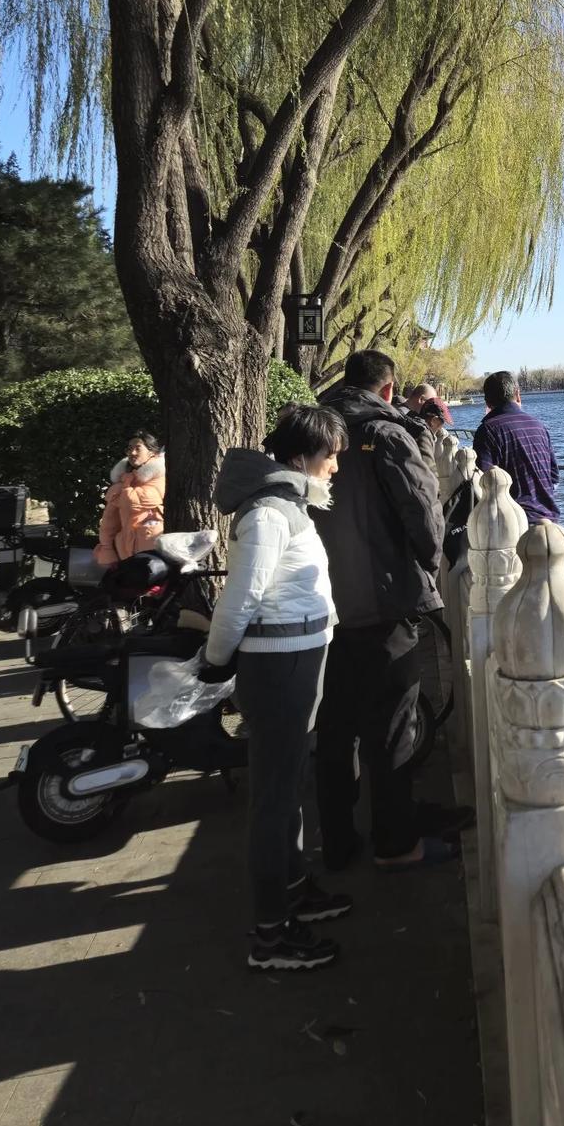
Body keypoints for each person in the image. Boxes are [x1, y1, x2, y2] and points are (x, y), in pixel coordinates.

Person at [201, 405, 350, 973]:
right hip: (278, 666)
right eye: (330, 454)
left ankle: (293, 891)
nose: (335, 466)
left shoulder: (290, 505)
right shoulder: (269, 512)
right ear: (300, 456)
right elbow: (240, 599)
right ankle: (271, 934)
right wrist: (216, 661)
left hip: (298, 661)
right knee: (273, 797)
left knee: (289, 786)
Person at [313, 349, 472, 872]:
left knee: (336, 726)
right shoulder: (386, 434)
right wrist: (428, 571)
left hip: (322, 602)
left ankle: (340, 841)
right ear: (389, 389)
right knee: (392, 723)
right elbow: (424, 520)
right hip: (383, 601)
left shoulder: (310, 428)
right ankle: (395, 841)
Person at [472, 371, 560, 523]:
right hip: (550, 523)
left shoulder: (487, 431)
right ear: (518, 394)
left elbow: (484, 484)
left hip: (514, 526)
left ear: (487, 402)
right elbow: (554, 477)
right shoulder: (539, 426)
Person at [94, 432, 166, 565]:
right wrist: (107, 547)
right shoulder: (125, 477)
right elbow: (110, 519)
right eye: (129, 448)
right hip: (126, 545)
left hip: (151, 541)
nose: (132, 453)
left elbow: (135, 502)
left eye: (138, 448)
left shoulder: (159, 473)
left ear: (152, 451)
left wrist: (124, 486)